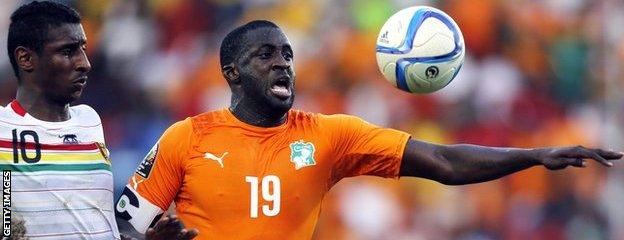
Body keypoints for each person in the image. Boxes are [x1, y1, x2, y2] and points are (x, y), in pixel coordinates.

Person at [114, 20, 622, 239]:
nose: (282, 64)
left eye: (288, 55)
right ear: (230, 73)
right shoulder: (188, 137)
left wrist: (533, 155)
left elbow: (443, 163)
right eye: (265, 55)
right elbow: (121, 228)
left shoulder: (329, 135)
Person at [2, 1, 197, 239]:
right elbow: (6, 222)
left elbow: (97, 228)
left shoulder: (89, 121)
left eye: (83, 49)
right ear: (25, 58)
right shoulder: (3, 129)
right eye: (67, 51)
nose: (85, 63)